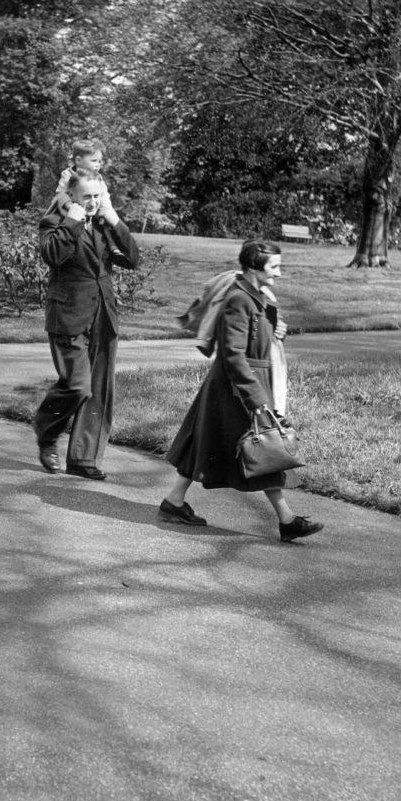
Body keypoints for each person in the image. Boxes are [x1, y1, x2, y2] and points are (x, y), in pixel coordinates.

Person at [159, 239, 323, 542]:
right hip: (236, 386)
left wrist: (278, 330)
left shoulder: (260, 296)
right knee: (264, 445)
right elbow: (233, 354)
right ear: (253, 267)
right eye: (274, 267)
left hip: (245, 383)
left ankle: (174, 502)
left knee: (209, 443)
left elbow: (264, 333)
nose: (279, 273)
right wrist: (257, 399)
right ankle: (287, 520)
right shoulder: (239, 299)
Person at [33, 167, 139, 479]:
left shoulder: (105, 224)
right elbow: (52, 254)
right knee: (78, 385)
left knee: (99, 389)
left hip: (103, 316)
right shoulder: (54, 222)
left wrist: (115, 219)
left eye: (97, 196)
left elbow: (132, 259)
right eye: (86, 197)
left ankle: (84, 458)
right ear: (72, 197)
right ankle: (46, 428)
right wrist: (73, 221)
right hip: (68, 316)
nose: (92, 202)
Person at [55, 137, 115, 219]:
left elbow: (104, 194)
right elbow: (61, 193)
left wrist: (106, 209)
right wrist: (70, 206)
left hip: (92, 210)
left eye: (99, 161)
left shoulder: (97, 178)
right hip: (70, 211)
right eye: (94, 161)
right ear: (78, 160)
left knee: (106, 213)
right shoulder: (68, 175)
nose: (98, 164)